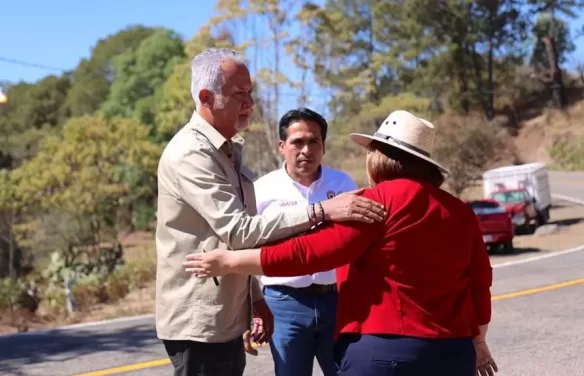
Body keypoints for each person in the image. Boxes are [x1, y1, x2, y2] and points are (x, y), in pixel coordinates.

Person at [183, 110, 498, 376]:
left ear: (380, 157)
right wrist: (478, 343)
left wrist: (230, 262)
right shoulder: (460, 212)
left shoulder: (374, 203)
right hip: (453, 354)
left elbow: (310, 252)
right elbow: (480, 284)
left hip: (384, 352)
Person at [155, 47, 386, 376]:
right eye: (239, 94)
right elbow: (240, 232)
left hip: (229, 315)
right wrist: (321, 211)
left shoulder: (225, 150)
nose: (250, 103)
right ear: (206, 97)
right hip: (201, 322)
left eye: (251, 93)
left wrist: (255, 300)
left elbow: (233, 244)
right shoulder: (192, 154)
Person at [253, 107, 358, 376]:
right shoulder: (262, 190)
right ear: (281, 146)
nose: (306, 150)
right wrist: (250, 308)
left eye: (314, 141)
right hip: (282, 303)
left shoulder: (344, 185)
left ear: (323, 146)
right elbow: (244, 247)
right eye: (297, 142)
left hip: (336, 301)